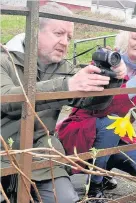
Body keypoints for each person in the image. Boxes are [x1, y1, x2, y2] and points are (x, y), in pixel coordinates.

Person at [0, 2, 126, 203]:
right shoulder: (3, 58)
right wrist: (67, 86)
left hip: (42, 150)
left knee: (66, 200)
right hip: (3, 146)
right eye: (58, 33)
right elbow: (6, 99)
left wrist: (113, 80)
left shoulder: (63, 67)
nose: (65, 42)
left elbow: (92, 104)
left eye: (69, 37)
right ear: (33, 30)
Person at [56, 17, 136, 200]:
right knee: (110, 122)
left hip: (116, 134)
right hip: (84, 129)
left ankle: (104, 170)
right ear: (125, 38)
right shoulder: (107, 61)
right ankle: (94, 184)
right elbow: (104, 108)